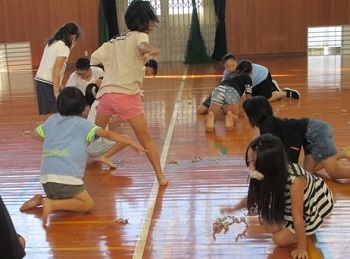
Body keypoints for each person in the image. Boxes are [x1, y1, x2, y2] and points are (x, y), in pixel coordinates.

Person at [19, 87, 147, 226]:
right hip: (67, 178)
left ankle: (42, 199)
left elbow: (35, 134)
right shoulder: (83, 124)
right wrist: (128, 140)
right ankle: (51, 204)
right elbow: (107, 134)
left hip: (46, 179)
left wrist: (56, 141)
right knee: (87, 204)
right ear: (81, 106)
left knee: (64, 194)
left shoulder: (52, 120)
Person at [90, 0, 168, 186]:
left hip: (107, 96)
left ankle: (69, 167)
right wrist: (149, 49)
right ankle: (160, 177)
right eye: (151, 20)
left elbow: (94, 58)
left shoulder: (114, 40)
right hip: (126, 96)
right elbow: (141, 47)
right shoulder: (140, 36)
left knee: (93, 134)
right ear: (145, 20)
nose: (152, 24)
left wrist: (110, 70)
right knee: (145, 139)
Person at [221, 134, 334, 259]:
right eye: (249, 162)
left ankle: (306, 233)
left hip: (312, 205)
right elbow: (253, 196)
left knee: (278, 239)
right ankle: (291, 227)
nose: (250, 167)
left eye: (254, 163)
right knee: (268, 224)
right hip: (290, 205)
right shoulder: (267, 173)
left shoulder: (294, 180)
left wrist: (301, 248)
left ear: (268, 165)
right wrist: (234, 208)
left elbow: (298, 217)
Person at [242, 96, 350, 179]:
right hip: (311, 133)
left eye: (246, 114)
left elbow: (272, 149)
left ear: (253, 114)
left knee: (334, 172)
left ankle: (340, 155)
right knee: (309, 170)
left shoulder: (267, 125)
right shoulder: (268, 123)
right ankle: (343, 153)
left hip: (315, 131)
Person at [197, 54, 300, 115]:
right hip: (248, 85)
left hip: (262, 77)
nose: (231, 69)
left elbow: (245, 95)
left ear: (237, 63)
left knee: (263, 99)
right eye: (228, 67)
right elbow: (224, 87)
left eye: (233, 65)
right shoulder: (227, 74)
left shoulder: (246, 73)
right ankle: (271, 87)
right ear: (224, 67)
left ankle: (283, 93)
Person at [35, 22, 81, 115]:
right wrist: (56, 92)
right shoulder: (64, 48)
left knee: (55, 112)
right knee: (57, 112)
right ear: (73, 36)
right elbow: (56, 70)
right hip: (47, 82)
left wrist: (60, 85)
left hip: (41, 80)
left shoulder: (52, 43)